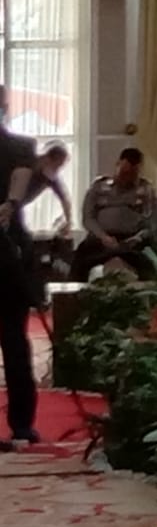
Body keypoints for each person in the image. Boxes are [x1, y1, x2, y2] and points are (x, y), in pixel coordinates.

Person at [0, 85, 41, 450]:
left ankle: (23, 424)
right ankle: (22, 425)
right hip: (10, 250)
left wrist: (10, 206)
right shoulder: (21, 146)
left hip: (9, 251)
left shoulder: (21, 146)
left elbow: (21, 179)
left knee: (14, 340)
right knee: (15, 340)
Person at [73, 148, 157, 281]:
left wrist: (138, 238)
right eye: (124, 172)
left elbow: (154, 223)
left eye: (132, 173)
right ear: (117, 165)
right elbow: (88, 218)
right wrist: (103, 237)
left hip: (134, 241)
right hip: (101, 239)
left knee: (151, 265)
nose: (127, 177)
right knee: (80, 260)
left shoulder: (147, 190)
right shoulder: (99, 187)